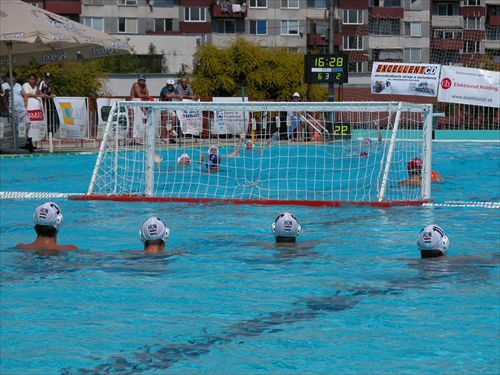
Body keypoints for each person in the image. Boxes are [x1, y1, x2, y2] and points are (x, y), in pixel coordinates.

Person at [1, 71, 33, 152]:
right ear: (7, 78)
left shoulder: (18, 85)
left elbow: (25, 94)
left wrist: (25, 106)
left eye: (14, 77)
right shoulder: (3, 86)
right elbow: (2, 98)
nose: (13, 79)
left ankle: (25, 141)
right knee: (13, 128)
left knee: (27, 123)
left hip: (21, 110)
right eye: (12, 77)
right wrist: (6, 93)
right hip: (11, 111)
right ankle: (16, 143)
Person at [159, 79, 181, 143]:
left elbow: (178, 96)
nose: (170, 86)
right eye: (169, 85)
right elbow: (167, 96)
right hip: (162, 106)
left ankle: (172, 133)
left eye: (171, 85)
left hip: (170, 107)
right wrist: (176, 95)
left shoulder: (174, 90)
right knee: (164, 122)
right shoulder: (164, 89)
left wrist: (178, 96)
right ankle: (164, 137)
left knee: (173, 116)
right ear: (167, 84)